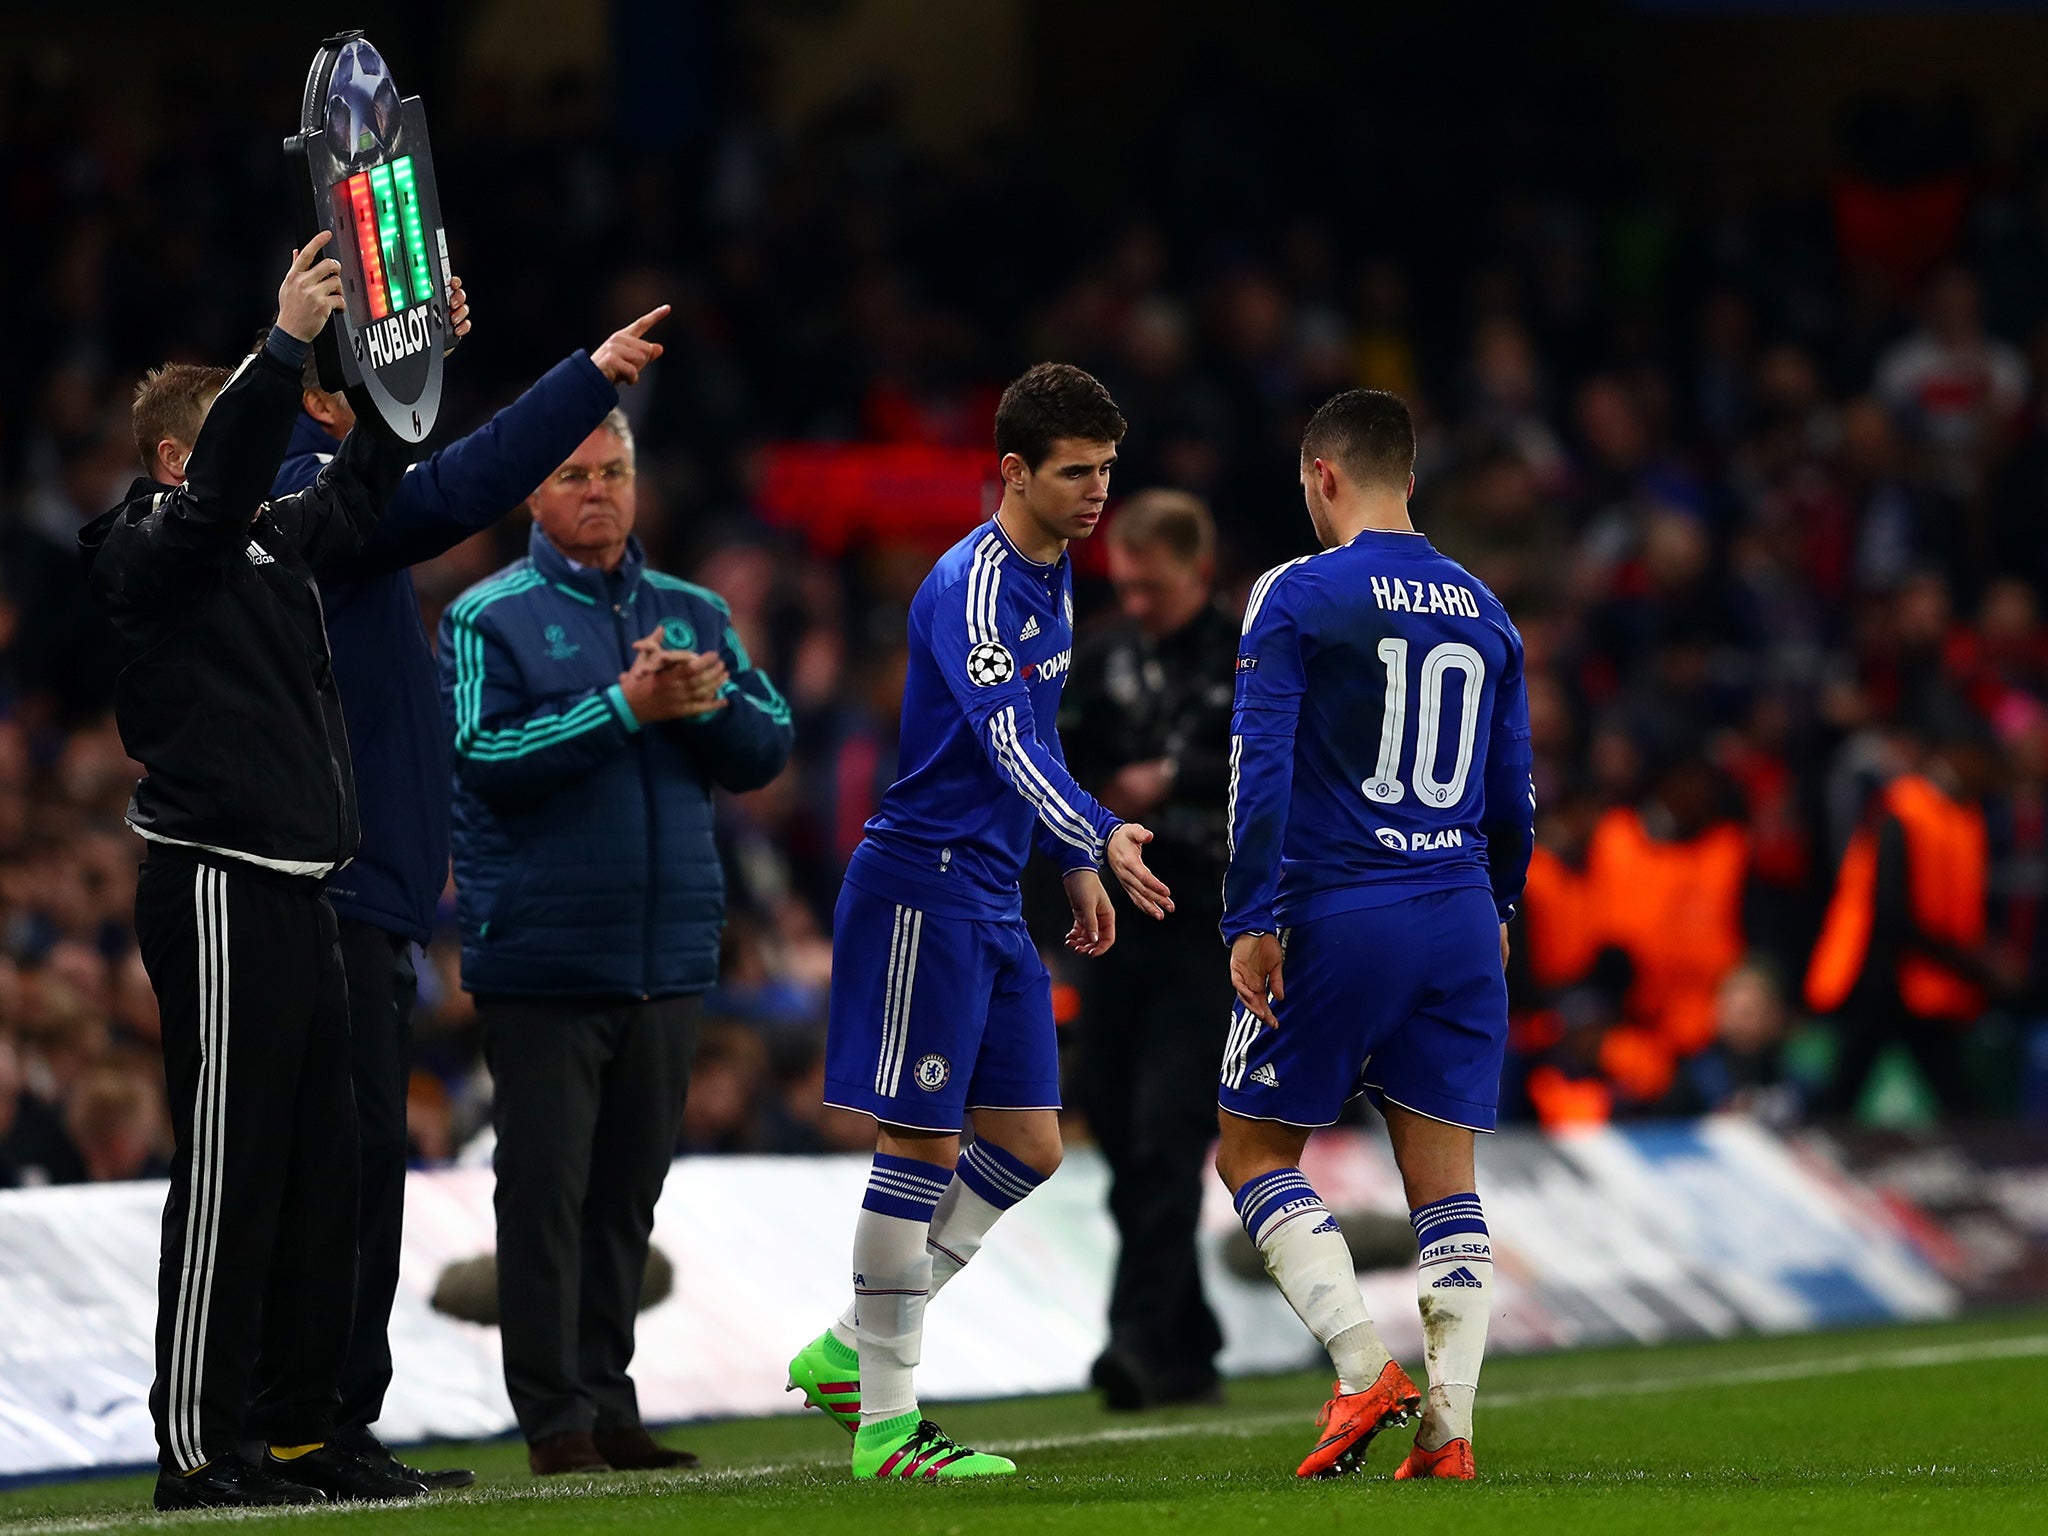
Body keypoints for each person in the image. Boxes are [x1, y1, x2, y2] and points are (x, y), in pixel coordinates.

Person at [259, 295, 668, 1490]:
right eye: (386, 385)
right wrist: (581, 378)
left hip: (367, 891)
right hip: (335, 889)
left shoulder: (331, 489)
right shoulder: (310, 489)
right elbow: (459, 484)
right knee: (335, 1174)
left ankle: (323, 1423)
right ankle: (303, 1427)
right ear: (332, 399)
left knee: (351, 1169)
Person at [77, 234, 428, 1509]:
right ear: (182, 456)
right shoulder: (134, 549)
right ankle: (195, 1445)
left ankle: (297, 1433)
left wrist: (414, 357)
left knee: (317, 1174)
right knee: (230, 1169)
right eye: (243, 433)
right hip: (215, 881)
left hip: (300, 885)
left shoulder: (272, 540)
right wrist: (280, 348)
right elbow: (220, 503)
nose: (283, 460)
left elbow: (371, 484)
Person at [782, 364, 1175, 1481]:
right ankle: (888, 1428)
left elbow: (1031, 754)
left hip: (994, 889)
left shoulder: (1051, 576)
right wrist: (1098, 831)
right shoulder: (966, 586)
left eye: (1107, 468)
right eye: (1075, 472)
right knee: (918, 1142)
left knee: (1030, 1145)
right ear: (1013, 471)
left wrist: (1065, 857)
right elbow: (1006, 743)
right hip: (920, 887)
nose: (1098, 492)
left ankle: (853, 1349)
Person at [440, 410, 793, 1476]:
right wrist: (623, 706)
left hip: (668, 951)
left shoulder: (693, 611)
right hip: (544, 956)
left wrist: (702, 697)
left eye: (615, 472)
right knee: (545, 1196)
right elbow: (482, 753)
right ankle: (555, 1421)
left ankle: (607, 1397)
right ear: (531, 495)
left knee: (626, 1195)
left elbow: (766, 748)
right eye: (573, 474)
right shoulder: (484, 615)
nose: (598, 491)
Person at [1215, 389, 1533, 1483]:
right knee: (1444, 1184)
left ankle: (1362, 1371)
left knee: (1252, 1148)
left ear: (1321, 475)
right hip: (1455, 914)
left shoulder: (1296, 592)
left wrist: (1249, 916)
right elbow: (1513, 797)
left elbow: (1257, 769)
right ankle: (1450, 1429)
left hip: (1338, 908)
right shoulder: (1486, 608)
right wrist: (1495, 910)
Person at [1058, 489, 1240, 1409]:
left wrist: (1174, 779)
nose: (1135, 606)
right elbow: (1056, 765)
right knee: (1121, 1133)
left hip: (1206, 925)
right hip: (1118, 928)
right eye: (1124, 588)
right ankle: (1192, 1333)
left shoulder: (1250, 654)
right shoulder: (1103, 657)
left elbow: (1282, 761)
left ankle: (1132, 1344)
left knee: (1169, 1132)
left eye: (1152, 589)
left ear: (1197, 572)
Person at [1806, 723, 1998, 1116]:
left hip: (1923, 979)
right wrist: (1966, 962)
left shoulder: (1962, 814)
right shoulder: (1901, 812)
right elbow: (1891, 912)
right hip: (1880, 973)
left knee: (1947, 1087)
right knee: (1847, 1086)